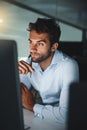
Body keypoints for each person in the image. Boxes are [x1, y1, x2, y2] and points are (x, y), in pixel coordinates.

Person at [18, 18, 79, 125]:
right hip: (38, 119)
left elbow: (67, 115)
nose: (32, 49)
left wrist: (33, 106)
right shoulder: (30, 61)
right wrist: (14, 74)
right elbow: (17, 96)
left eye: (40, 44)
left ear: (53, 47)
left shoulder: (68, 66)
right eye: (31, 42)